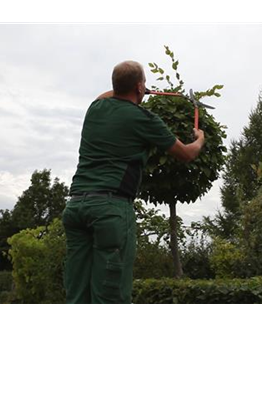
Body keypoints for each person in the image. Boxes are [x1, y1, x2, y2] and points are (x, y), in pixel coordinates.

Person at [62, 60, 205, 312]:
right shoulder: (144, 119)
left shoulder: (95, 108)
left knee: (78, 291)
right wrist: (200, 139)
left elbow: (106, 94)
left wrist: (136, 89)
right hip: (110, 209)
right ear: (139, 87)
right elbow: (186, 154)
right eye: (144, 84)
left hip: (75, 207)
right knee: (111, 295)